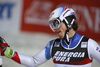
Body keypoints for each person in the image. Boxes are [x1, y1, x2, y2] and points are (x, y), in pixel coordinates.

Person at [0, 6, 100, 67]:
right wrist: (7, 51)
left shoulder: (89, 45)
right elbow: (33, 62)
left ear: (68, 21)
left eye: (56, 23)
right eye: (52, 25)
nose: (54, 29)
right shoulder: (53, 45)